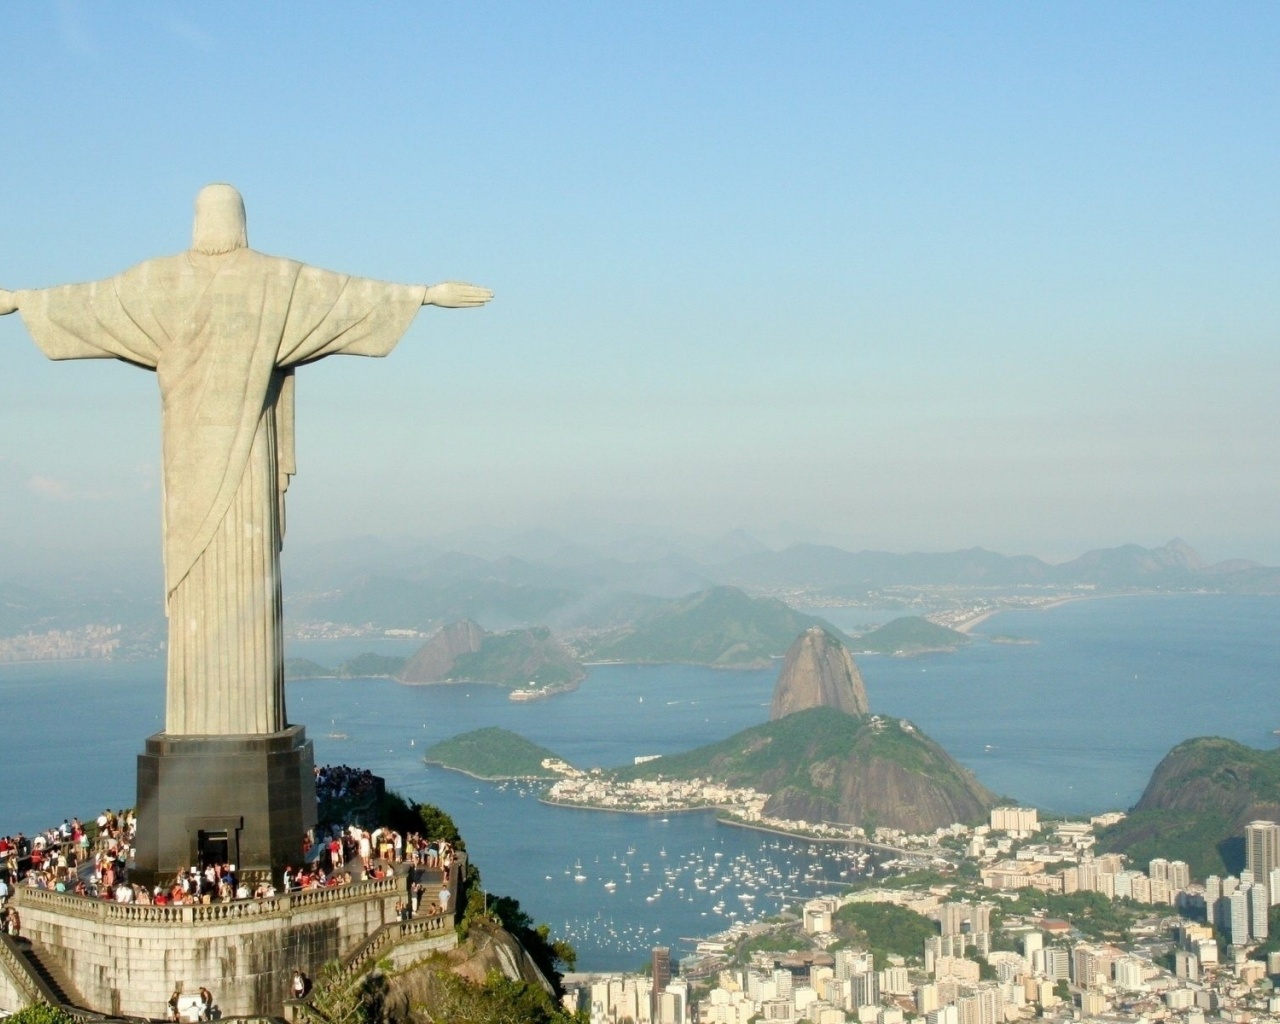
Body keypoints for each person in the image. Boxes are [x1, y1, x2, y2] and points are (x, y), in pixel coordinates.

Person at [0, 184, 491, 737]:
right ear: (241, 221)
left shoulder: (155, 283)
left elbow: (87, 302)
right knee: (239, 579)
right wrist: (423, 293)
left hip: (187, 466)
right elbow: (346, 298)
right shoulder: (275, 281)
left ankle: (203, 726)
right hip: (241, 466)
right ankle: (242, 723)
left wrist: (20, 300)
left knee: (214, 586)